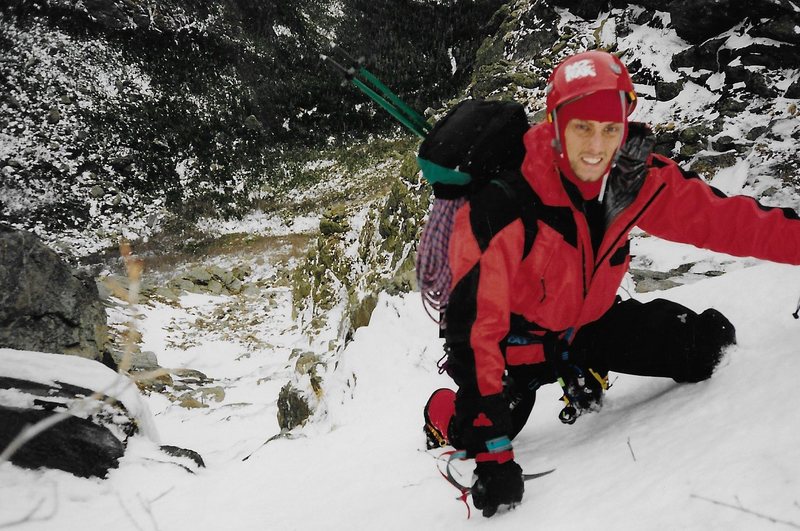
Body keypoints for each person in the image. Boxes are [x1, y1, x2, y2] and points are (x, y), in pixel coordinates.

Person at [422, 49, 800, 517]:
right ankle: (441, 412)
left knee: (706, 348)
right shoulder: (505, 204)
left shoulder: (630, 179)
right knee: (475, 431)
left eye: (610, 128)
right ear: (555, 122)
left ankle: (583, 367)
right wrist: (494, 454)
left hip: (590, 326)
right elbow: (475, 330)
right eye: (582, 127)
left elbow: (725, 222)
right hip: (514, 349)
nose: (597, 147)